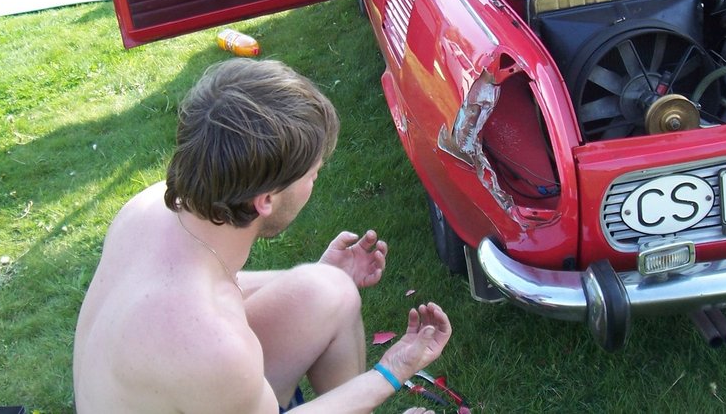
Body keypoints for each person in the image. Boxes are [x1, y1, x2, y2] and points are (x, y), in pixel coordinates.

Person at [73, 58, 451, 413]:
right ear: (266, 199)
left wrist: (320, 274)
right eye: (312, 175)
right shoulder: (213, 345)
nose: (314, 182)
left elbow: (209, 286)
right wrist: (391, 371)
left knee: (329, 289)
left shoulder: (150, 207)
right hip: (199, 370)